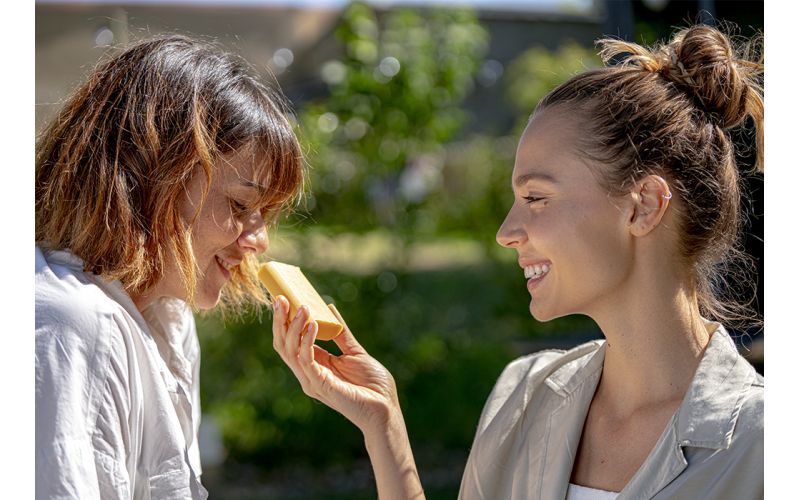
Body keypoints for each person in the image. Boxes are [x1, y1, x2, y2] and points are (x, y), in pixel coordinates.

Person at [271, 23, 763, 499]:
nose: (506, 232)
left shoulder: (764, 446)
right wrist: (383, 423)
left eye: (536, 197)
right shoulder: (523, 395)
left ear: (645, 206)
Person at [35, 35, 303, 499]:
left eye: (265, 214)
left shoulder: (169, 319)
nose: (259, 240)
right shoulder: (73, 327)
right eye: (240, 205)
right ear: (150, 176)